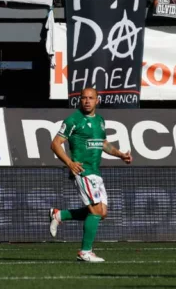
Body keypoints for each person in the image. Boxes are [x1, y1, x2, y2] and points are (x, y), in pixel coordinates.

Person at [47, 87, 132, 263]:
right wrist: (70, 163)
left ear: (97, 100)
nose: (87, 101)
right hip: (83, 170)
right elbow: (55, 144)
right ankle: (85, 252)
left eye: (90, 98)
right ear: (80, 100)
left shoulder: (100, 121)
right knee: (96, 211)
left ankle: (59, 215)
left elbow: (103, 144)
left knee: (102, 213)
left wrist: (120, 154)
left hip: (96, 171)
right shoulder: (73, 120)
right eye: (84, 98)